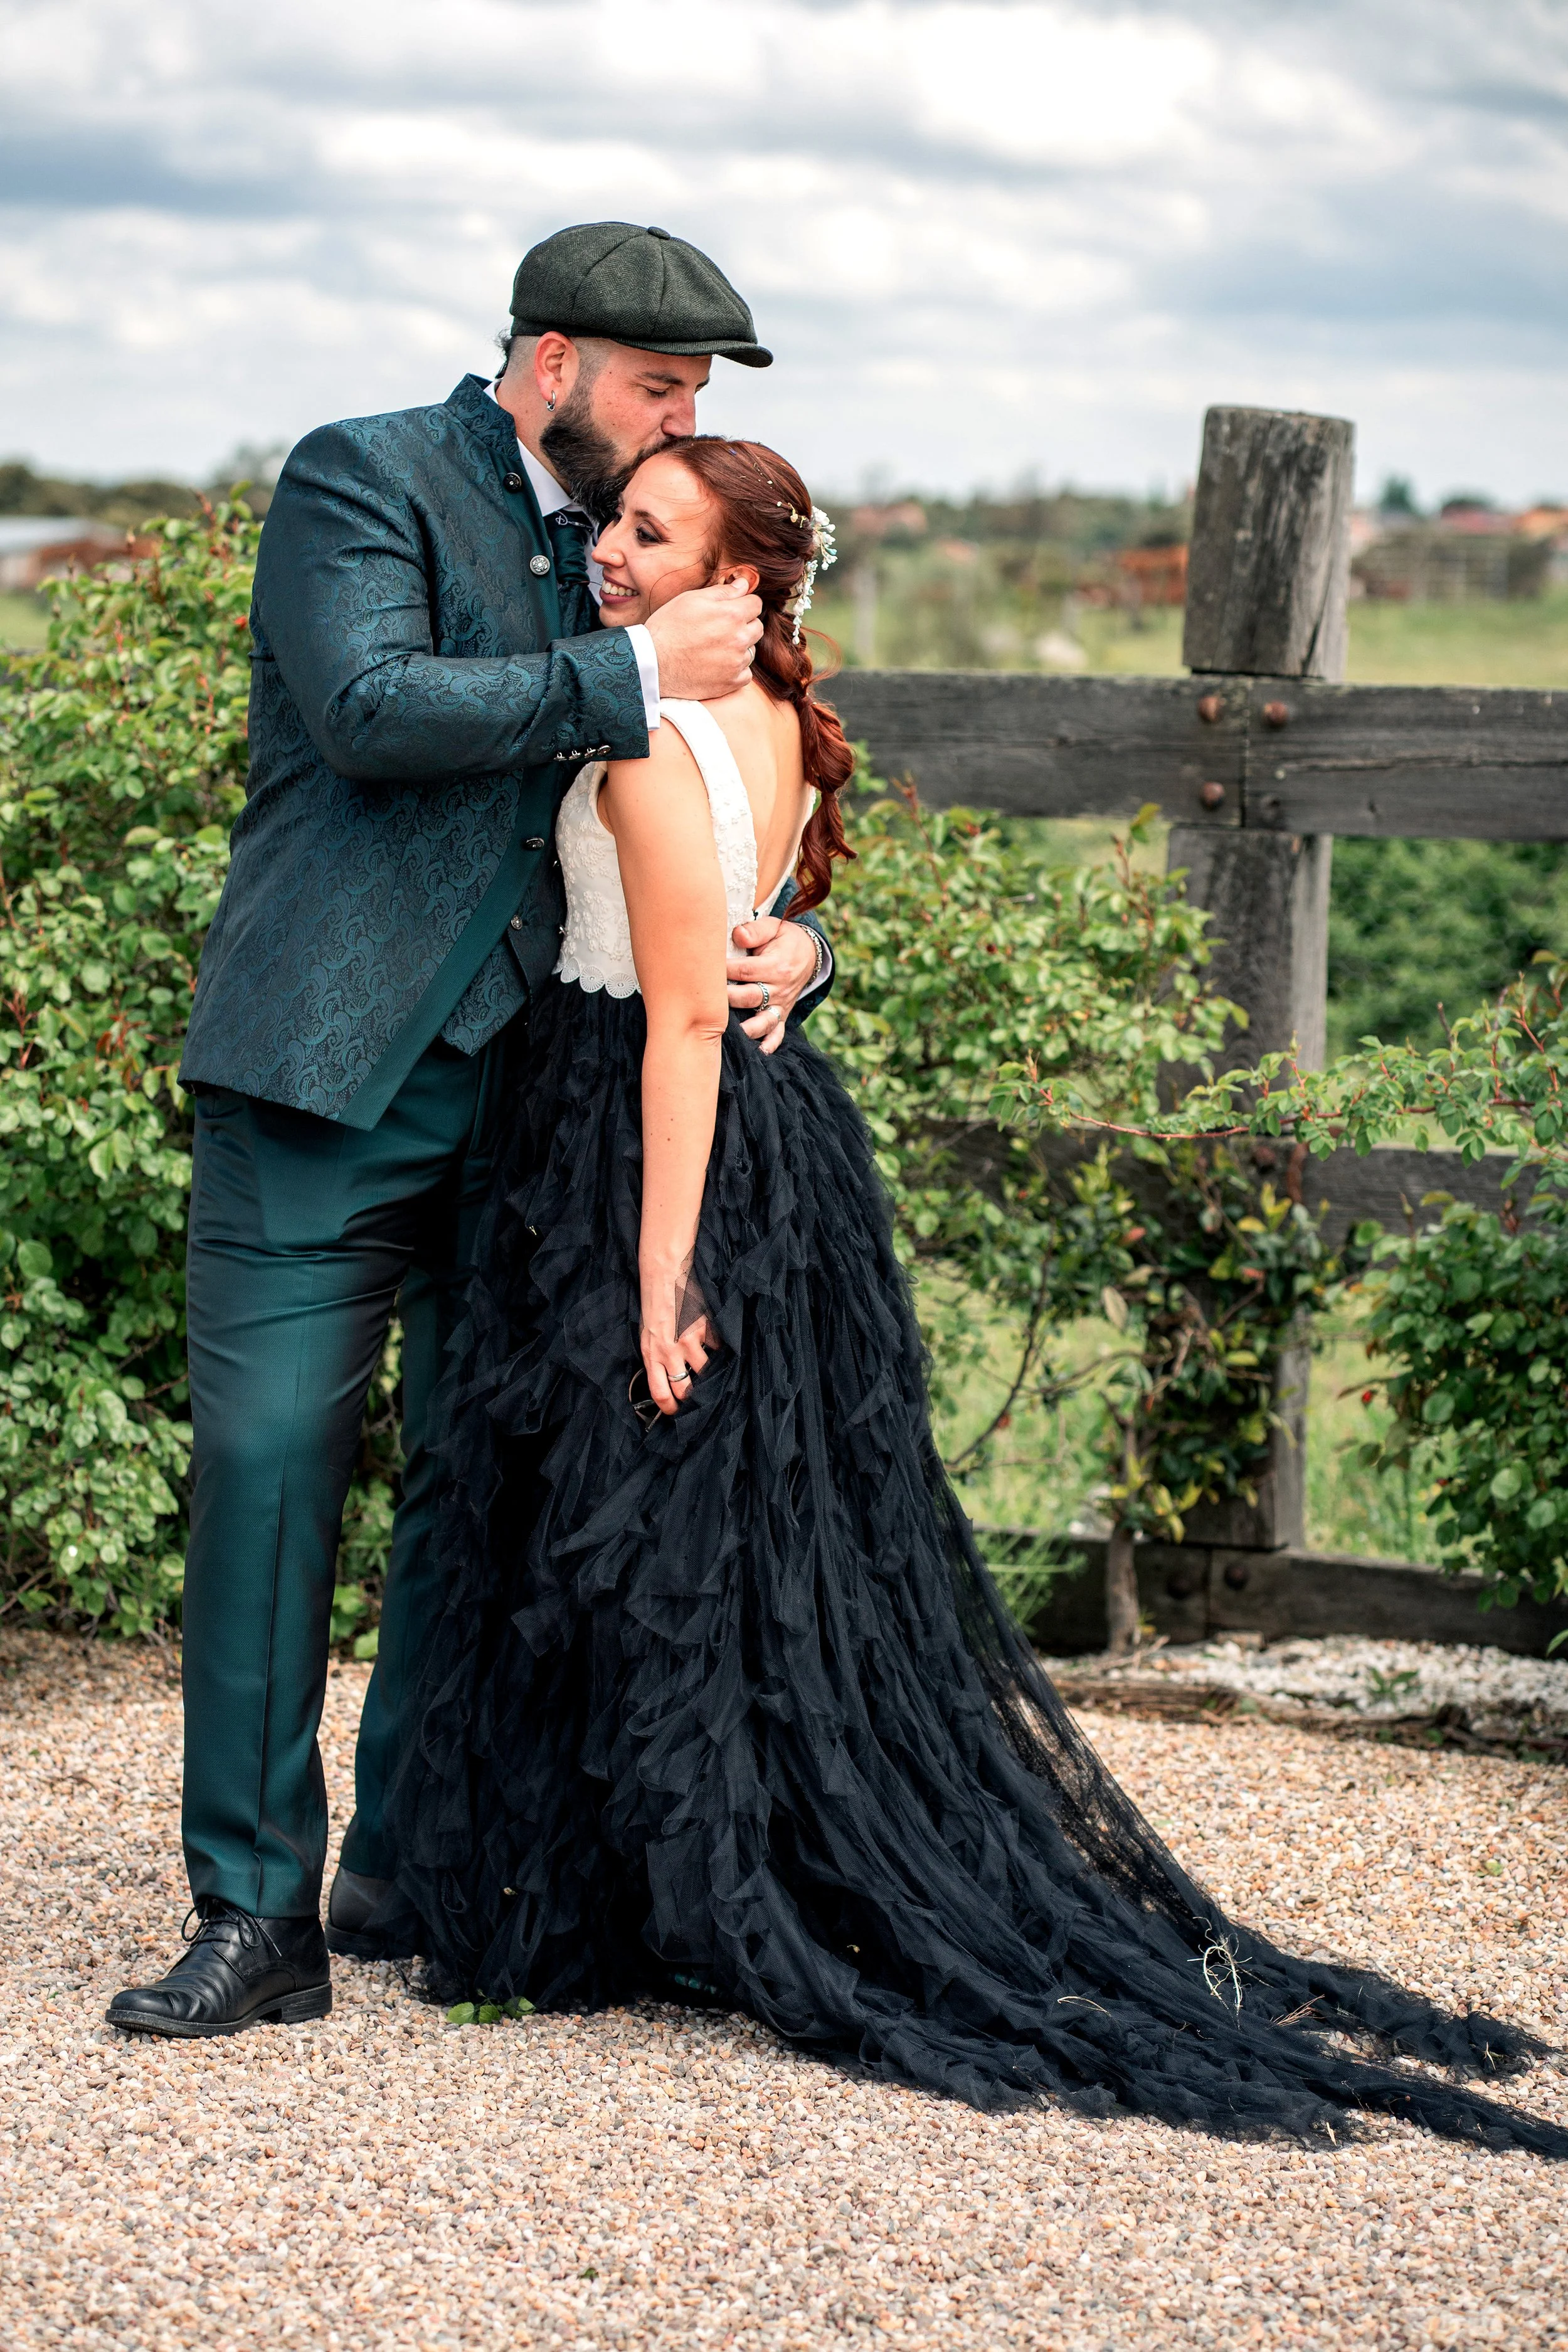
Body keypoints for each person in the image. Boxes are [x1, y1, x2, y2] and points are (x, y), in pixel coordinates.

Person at [379, 435, 1567, 2154]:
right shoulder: (776, 717)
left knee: (634, 1515)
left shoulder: (646, 742)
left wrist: (657, 1274)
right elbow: (754, 919)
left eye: (650, 534)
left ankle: (652, 1892)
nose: (611, 553)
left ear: (743, 581)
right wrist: (799, 952)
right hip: (758, 1143)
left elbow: (688, 1017)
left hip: (646, 1136)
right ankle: (660, 1872)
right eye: (617, 525)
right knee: (712, 1523)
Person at [107, 224, 831, 2040]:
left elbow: (737, 782)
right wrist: (630, 669)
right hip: (327, 1079)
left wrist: (804, 937)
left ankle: (405, 1862)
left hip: (541, 1111)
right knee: (273, 1469)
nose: (676, 417)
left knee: (473, 1485)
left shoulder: (640, 537)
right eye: (661, 382)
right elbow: (366, 709)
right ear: (555, 358)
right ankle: (255, 1909)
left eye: (694, 398)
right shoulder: (364, 475)